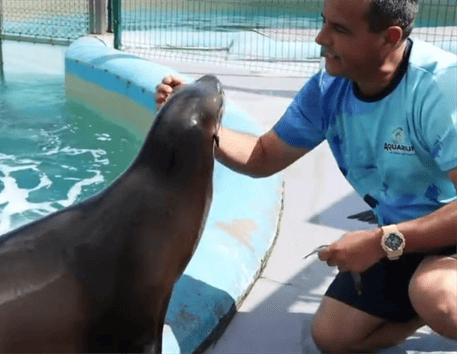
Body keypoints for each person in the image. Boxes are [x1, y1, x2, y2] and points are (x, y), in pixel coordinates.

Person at [155, 0, 456, 352]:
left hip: (439, 233)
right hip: (402, 236)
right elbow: (262, 156)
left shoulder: (440, 90)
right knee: (333, 337)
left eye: (339, 29)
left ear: (389, 38)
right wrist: (199, 122)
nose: (319, 38)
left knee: (439, 299)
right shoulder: (329, 89)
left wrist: (379, 242)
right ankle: (417, 312)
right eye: (323, 22)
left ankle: (428, 303)